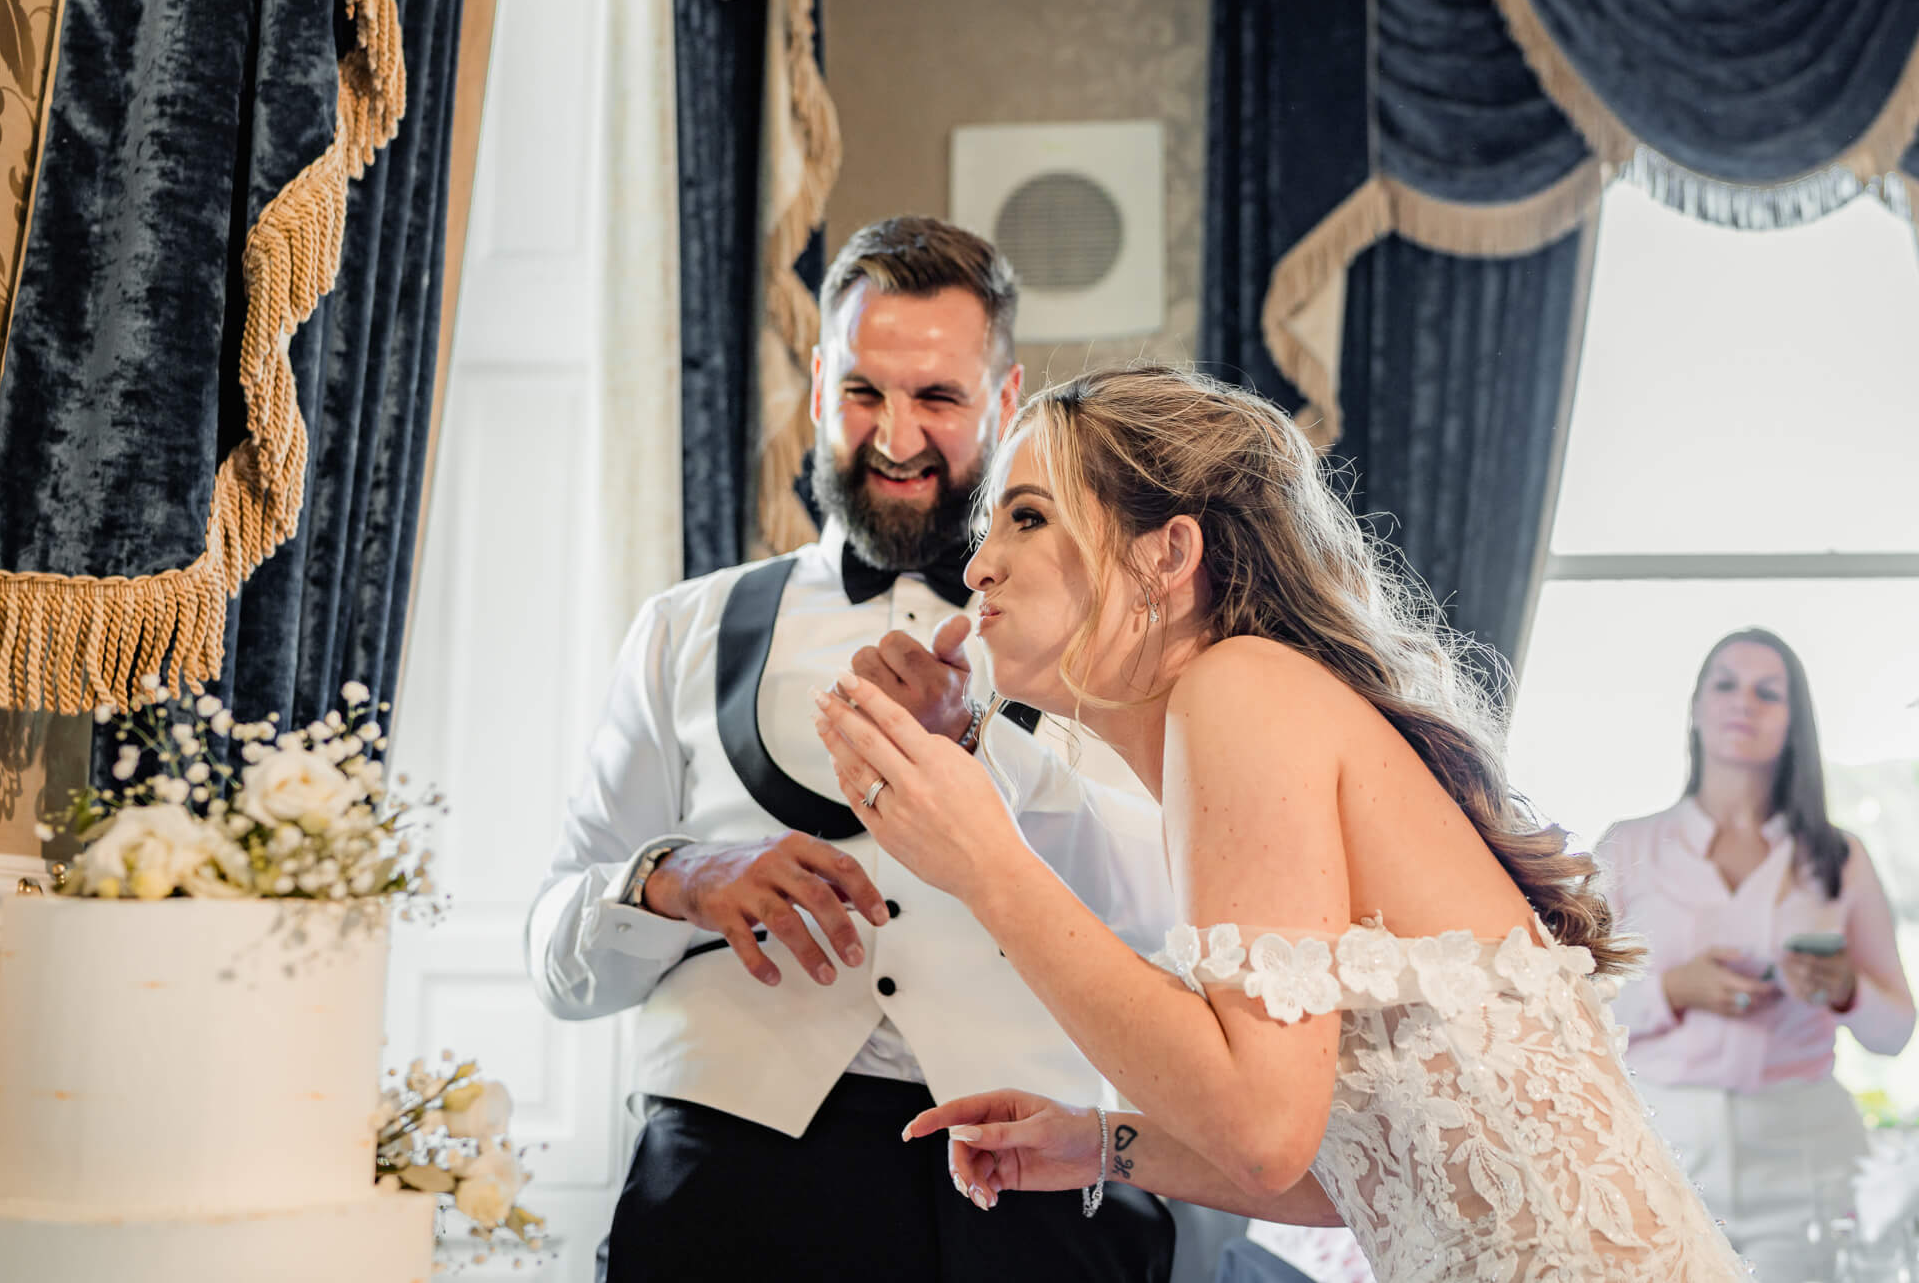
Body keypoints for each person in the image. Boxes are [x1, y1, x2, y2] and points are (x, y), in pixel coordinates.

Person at [812, 363, 1751, 1280]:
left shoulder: (1241, 688)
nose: (978, 565)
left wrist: (987, 868)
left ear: (1166, 555)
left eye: (1027, 517)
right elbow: (1362, 1167)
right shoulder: (1231, 725)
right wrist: (1103, 1144)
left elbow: (1262, 1135)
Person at [525, 217, 1175, 1281]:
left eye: (937, 398)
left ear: (1004, 404)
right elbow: (555, 961)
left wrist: (975, 748)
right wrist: (674, 879)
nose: (895, 434)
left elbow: (1161, 903)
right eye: (864, 392)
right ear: (818, 383)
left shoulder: (1108, 643)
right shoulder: (683, 630)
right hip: (728, 1187)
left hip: (1031, 1176)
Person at [1592, 629, 1914, 1282]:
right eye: (1727, 684)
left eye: (1769, 692)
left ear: (1794, 724)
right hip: (1660, 1147)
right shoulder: (1627, 848)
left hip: (1803, 1159)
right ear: (1695, 706)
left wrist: (1847, 988)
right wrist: (1672, 989)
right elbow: (1572, 1016)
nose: (1746, 702)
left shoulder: (1838, 859)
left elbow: (1894, 1032)